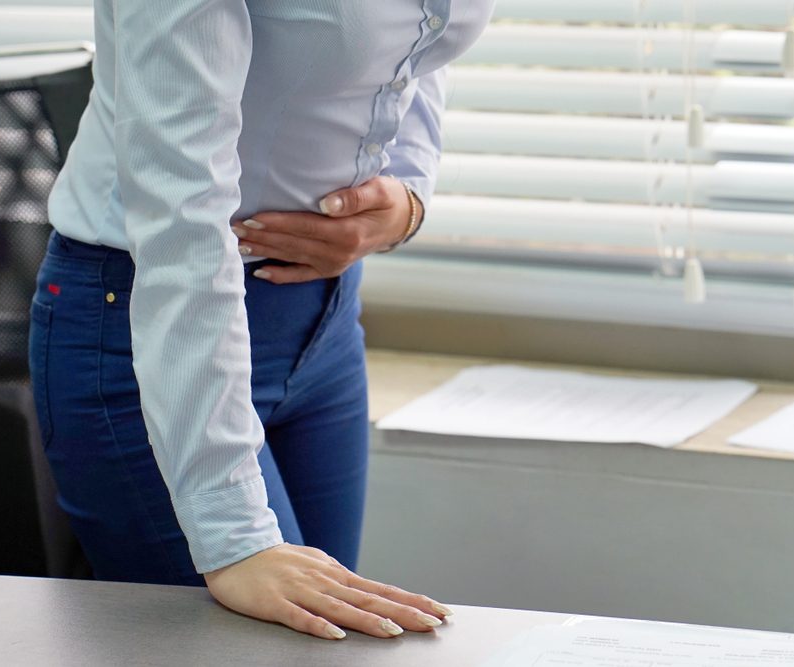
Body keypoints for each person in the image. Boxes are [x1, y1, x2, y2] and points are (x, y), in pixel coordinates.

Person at [29, 0, 496, 641]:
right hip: (151, 327)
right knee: (269, 650)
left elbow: (418, 42)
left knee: (336, 647)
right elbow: (180, 221)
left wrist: (406, 197)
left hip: (322, 320)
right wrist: (232, 535)